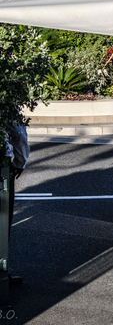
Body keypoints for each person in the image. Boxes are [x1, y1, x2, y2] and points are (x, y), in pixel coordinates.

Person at [2, 121, 29, 286]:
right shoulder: (7, 96)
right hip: (1, 162)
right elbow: (18, 132)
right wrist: (20, 162)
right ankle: (2, 272)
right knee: (2, 221)